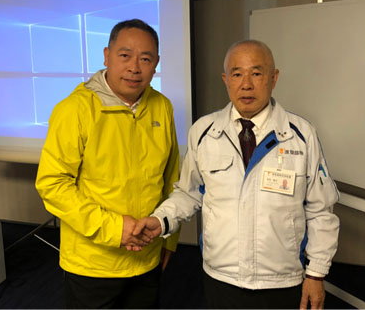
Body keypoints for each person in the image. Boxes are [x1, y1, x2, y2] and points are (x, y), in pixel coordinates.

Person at [134, 40, 339, 309]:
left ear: (274, 78)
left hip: (282, 279)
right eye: (237, 74)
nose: (246, 84)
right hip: (221, 276)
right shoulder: (204, 131)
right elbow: (189, 193)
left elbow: (320, 210)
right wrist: (161, 220)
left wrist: (316, 273)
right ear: (226, 80)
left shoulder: (300, 134)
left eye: (256, 73)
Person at [35, 19, 180, 308]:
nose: (134, 67)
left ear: (156, 64)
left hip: (147, 257)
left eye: (145, 59)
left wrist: (169, 239)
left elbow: (171, 179)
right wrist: (115, 229)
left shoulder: (162, 106)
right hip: (93, 264)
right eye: (125, 55)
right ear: (106, 56)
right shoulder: (74, 110)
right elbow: (52, 185)